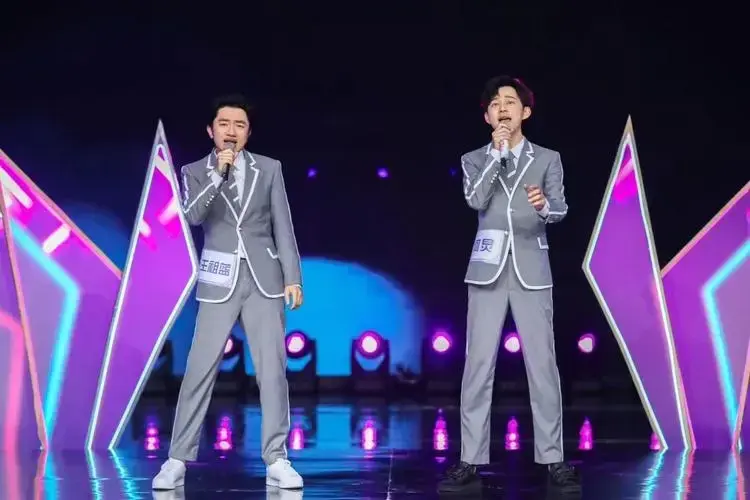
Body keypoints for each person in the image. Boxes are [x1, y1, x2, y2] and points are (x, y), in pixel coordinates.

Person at [152, 94, 304, 491]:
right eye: (224, 124)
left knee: (272, 371)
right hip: (219, 280)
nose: (231, 131)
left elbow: (283, 225)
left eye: (239, 125)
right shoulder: (194, 171)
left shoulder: (269, 168)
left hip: (264, 278)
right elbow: (193, 215)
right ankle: (177, 459)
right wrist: (218, 175)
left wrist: (293, 276)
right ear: (211, 130)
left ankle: (277, 457)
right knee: (199, 369)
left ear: (248, 133)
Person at [438, 76, 580, 495]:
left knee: (543, 366)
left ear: (526, 112)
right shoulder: (474, 159)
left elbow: (560, 208)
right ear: (487, 117)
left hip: (532, 268)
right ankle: (469, 458)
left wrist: (545, 205)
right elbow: (475, 200)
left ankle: (553, 458)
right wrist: (497, 156)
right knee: (478, 365)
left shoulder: (548, 158)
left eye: (510, 102)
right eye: (495, 104)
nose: (503, 108)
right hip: (487, 269)